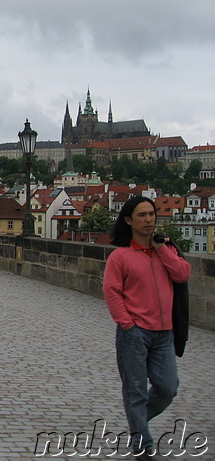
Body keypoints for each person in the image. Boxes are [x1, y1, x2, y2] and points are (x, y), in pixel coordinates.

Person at [103, 196, 191, 459]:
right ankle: (143, 443)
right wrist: (127, 324)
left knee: (167, 388)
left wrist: (163, 250)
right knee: (136, 389)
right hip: (134, 332)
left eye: (151, 214)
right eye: (141, 215)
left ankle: (136, 422)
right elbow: (111, 291)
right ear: (129, 220)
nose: (149, 219)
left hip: (165, 332)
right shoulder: (121, 256)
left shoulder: (167, 250)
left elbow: (182, 274)